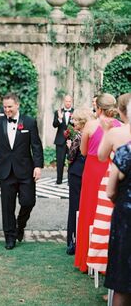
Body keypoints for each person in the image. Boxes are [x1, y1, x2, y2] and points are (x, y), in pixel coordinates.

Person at [0, 93, 44, 250]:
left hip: (26, 170)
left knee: (29, 201)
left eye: (10, 106)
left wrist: (38, 166)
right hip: (5, 171)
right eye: (5, 107)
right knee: (7, 206)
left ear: (17, 105)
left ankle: (20, 225)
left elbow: (36, 145)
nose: (7, 109)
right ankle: (10, 237)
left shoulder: (29, 122)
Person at [74, 93, 121, 273]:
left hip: (93, 171)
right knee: (107, 214)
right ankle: (108, 260)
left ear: (98, 108)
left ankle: (86, 261)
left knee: (89, 211)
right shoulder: (121, 127)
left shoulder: (90, 126)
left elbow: (84, 152)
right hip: (112, 171)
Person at [87, 93, 131, 274]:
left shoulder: (115, 131)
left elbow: (101, 156)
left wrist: (106, 132)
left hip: (114, 182)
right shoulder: (120, 127)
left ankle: (112, 280)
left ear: (121, 111)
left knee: (109, 230)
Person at [104, 102, 131, 306]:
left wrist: (119, 200)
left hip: (126, 218)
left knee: (122, 280)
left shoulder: (126, 152)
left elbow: (110, 190)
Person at [66, 108, 93, 255]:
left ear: (82, 121)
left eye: (75, 120)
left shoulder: (79, 136)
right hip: (89, 173)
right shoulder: (94, 134)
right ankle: (85, 241)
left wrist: (69, 147)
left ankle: (72, 241)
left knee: (74, 207)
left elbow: (71, 157)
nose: (73, 122)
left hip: (76, 174)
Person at [53, 95, 74, 184]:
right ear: (64, 101)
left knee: (71, 161)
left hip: (71, 140)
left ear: (71, 102)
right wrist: (60, 119)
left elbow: (78, 126)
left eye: (69, 101)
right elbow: (54, 125)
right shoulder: (58, 112)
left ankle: (70, 180)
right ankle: (59, 180)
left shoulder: (75, 112)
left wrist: (73, 122)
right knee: (60, 161)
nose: (68, 103)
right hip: (60, 140)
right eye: (66, 101)